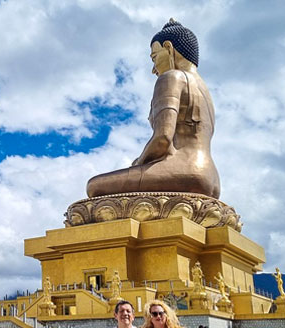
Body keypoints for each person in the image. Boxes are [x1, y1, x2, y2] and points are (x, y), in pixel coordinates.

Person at [86, 19, 219, 199]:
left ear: (168, 48)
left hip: (184, 171)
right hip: (211, 178)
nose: (154, 69)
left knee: (94, 187)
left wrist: (138, 163)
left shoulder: (172, 77)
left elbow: (163, 139)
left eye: (155, 57)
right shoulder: (205, 91)